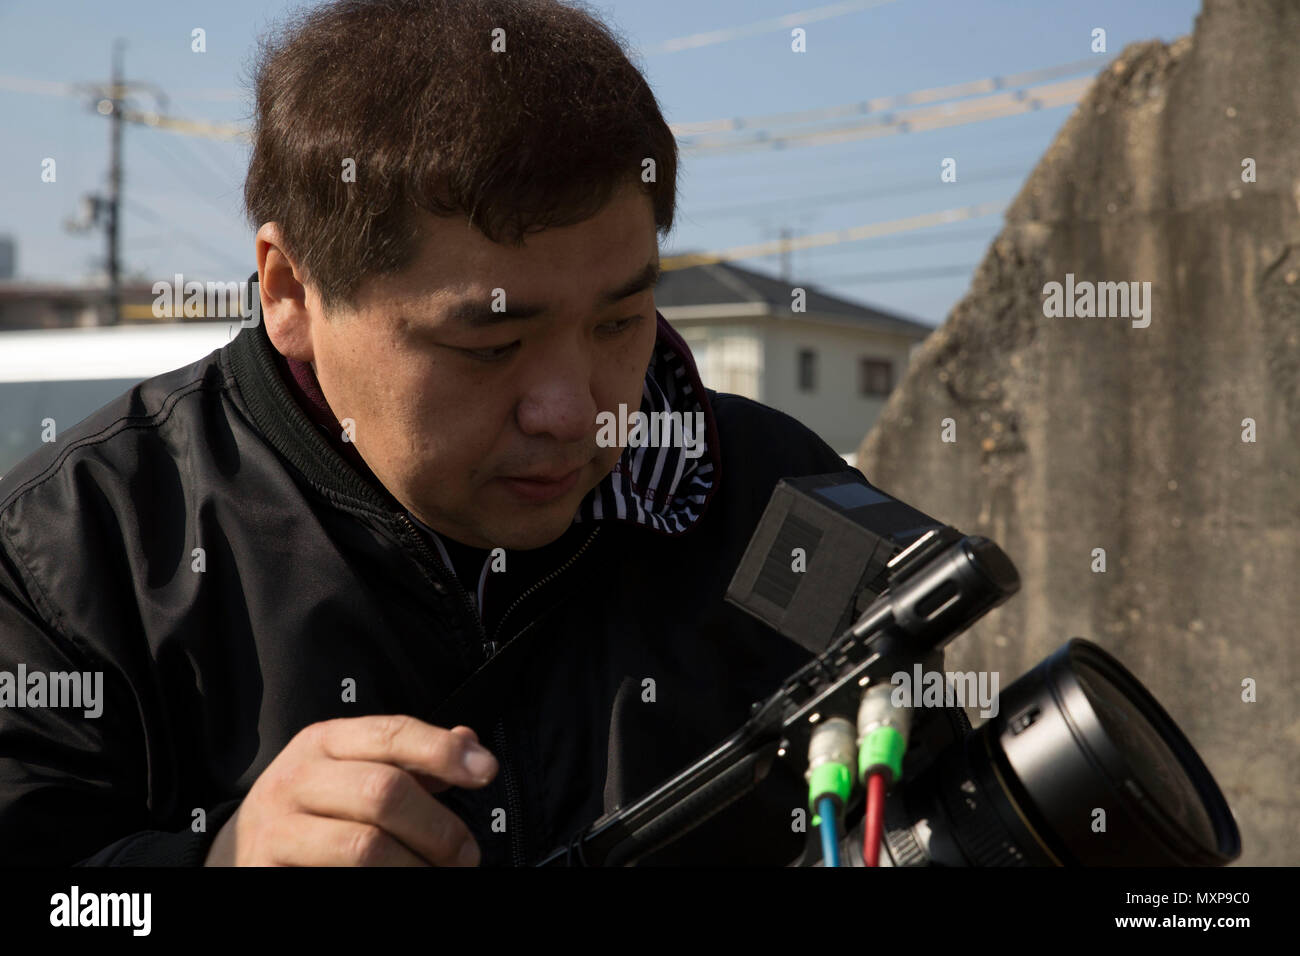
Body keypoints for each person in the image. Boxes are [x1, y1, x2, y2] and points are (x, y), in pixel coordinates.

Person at [0, 0, 858, 866]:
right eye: (489, 345)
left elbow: (936, 801)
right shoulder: (67, 558)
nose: (571, 410)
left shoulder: (783, 502)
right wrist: (221, 859)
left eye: (619, 321)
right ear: (291, 290)